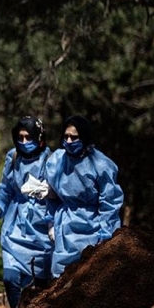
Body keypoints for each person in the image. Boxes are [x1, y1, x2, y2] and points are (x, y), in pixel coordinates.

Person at [42, 115, 124, 278]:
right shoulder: (57, 160)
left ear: (84, 137)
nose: (69, 141)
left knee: (89, 276)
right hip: (64, 225)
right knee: (61, 276)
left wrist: (106, 235)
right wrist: (51, 222)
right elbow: (52, 197)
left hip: (92, 225)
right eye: (66, 137)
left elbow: (110, 202)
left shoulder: (100, 164)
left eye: (74, 137)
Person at [0, 116, 54, 308]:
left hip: (41, 226)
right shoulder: (13, 157)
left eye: (28, 137)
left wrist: (52, 222)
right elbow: (6, 188)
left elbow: (58, 193)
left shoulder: (51, 160)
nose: (24, 142)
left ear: (39, 137)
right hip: (15, 224)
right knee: (10, 278)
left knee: (40, 283)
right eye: (20, 137)